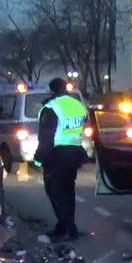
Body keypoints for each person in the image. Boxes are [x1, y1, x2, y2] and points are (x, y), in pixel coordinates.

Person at [34, 77, 89, 241]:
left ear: (52, 91)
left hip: (57, 156)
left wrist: (38, 159)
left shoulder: (51, 108)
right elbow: (84, 121)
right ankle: (65, 226)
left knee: (55, 192)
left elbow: (46, 137)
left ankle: (67, 229)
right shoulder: (77, 105)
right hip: (75, 154)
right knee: (68, 191)